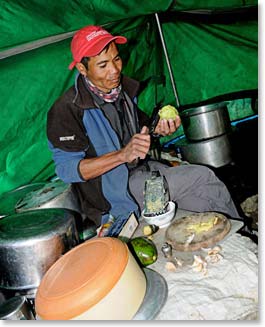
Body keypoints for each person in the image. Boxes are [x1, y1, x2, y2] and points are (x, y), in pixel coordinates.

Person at [47, 25, 241, 231]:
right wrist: (122, 155)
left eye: (117, 59)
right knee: (202, 177)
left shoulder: (123, 92)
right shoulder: (67, 109)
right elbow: (67, 170)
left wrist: (159, 128)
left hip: (144, 171)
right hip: (115, 192)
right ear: (82, 69)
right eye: (103, 65)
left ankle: (221, 243)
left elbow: (143, 129)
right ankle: (246, 236)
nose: (114, 70)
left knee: (199, 202)